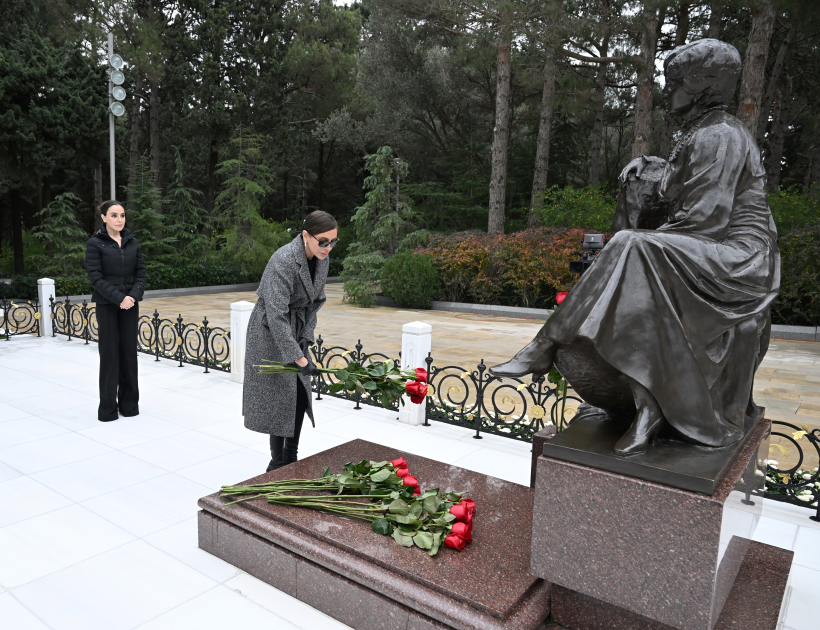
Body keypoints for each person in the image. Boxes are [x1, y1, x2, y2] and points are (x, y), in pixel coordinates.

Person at [491, 39, 780, 456]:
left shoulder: (720, 134)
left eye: (674, 81)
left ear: (701, 85)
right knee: (637, 263)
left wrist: (640, 240)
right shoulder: (701, 132)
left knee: (632, 246)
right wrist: (651, 167)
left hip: (741, 259)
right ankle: (648, 409)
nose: (666, 90)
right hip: (713, 250)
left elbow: (704, 220)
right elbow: (681, 192)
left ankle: (545, 344)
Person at [243, 211, 338, 471]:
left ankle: (290, 458)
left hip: (295, 328)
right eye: (323, 241)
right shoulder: (284, 259)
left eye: (333, 242)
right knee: (280, 399)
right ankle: (277, 464)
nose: (328, 247)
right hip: (269, 332)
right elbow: (276, 314)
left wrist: (306, 336)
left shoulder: (322, 258)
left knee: (298, 397)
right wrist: (299, 358)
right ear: (306, 235)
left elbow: (316, 302)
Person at [85, 200, 147, 422]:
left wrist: (133, 296)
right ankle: (108, 409)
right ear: (103, 218)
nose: (119, 220)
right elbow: (95, 277)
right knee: (110, 355)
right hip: (107, 305)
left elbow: (141, 273)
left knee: (129, 354)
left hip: (130, 303)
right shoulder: (95, 244)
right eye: (114, 215)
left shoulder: (132, 242)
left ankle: (129, 406)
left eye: (122, 215)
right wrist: (119, 298)